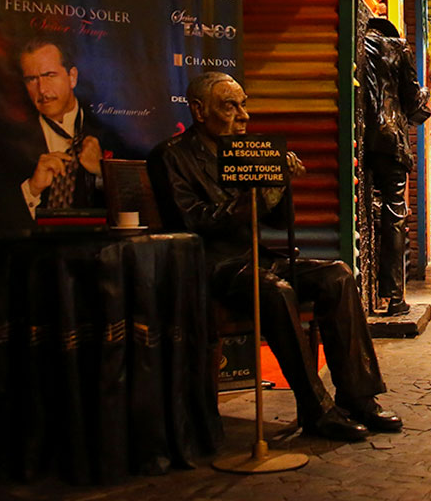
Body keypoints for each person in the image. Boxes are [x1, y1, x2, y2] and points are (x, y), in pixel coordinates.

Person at [148, 72, 400, 442]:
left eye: (243, 104)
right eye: (230, 107)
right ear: (199, 111)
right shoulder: (171, 156)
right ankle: (316, 408)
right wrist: (258, 195)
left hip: (253, 258)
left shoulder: (246, 151)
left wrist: (280, 183)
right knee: (275, 289)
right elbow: (194, 220)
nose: (243, 116)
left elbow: (279, 222)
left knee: (338, 274)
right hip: (211, 267)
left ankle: (358, 397)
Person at [359, 17, 430, 315]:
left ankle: (367, 293)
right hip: (390, 139)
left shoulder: (356, 45)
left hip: (360, 137)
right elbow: (412, 100)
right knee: (394, 212)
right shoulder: (398, 47)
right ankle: (393, 296)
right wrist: (424, 95)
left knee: (364, 210)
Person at [16, 38, 127, 219]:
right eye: (31, 80)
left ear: (72, 77)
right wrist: (32, 190)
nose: (42, 90)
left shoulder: (111, 134)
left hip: (99, 245)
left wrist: (102, 172)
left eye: (50, 75)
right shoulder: (10, 142)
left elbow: (135, 207)